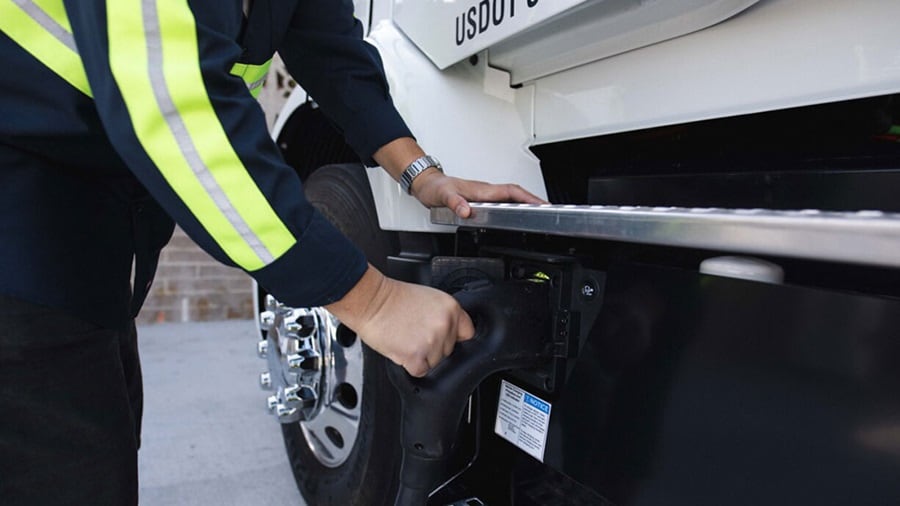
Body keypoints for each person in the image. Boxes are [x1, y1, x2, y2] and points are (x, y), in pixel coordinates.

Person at [0, 0, 544, 504]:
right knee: (62, 463)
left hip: (84, 226)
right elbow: (172, 102)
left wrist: (422, 175)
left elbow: (331, 53)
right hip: (21, 203)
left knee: (98, 437)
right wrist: (375, 303)